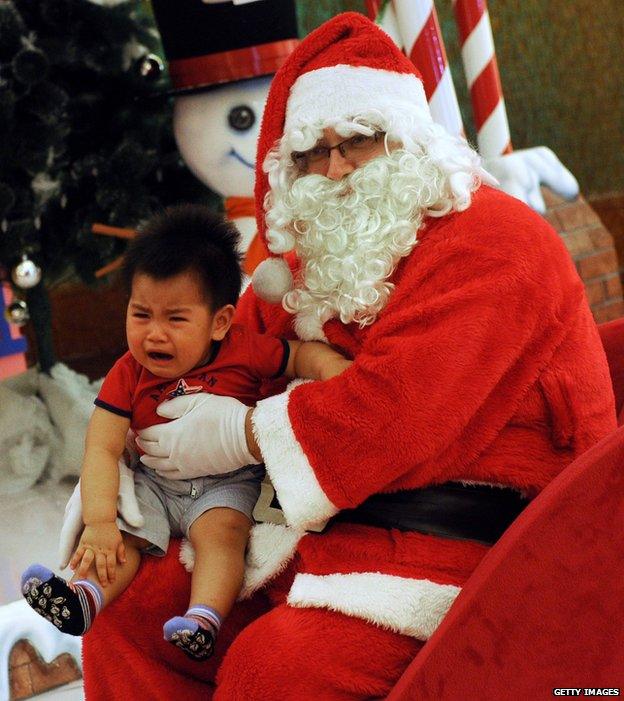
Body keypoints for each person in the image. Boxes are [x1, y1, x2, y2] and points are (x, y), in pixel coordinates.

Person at [63, 13, 616, 700]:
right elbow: (220, 365)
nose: (336, 167)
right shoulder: (304, 266)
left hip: (481, 551)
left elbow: (400, 413)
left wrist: (240, 433)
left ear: (410, 139)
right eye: (310, 154)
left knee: (275, 667)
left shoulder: (498, 243)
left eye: (359, 139)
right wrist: (122, 471)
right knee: (129, 615)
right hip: (322, 537)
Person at [21, 204, 350, 661]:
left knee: (223, 534)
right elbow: (101, 446)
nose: (154, 335)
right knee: (123, 533)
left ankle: (203, 619)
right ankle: (83, 599)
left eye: (176, 319)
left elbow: (297, 354)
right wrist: (99, 522)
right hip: (153, 483)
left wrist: (333, 369)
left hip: (226, 482)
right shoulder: (127, 372)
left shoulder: (242, 350)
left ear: (219, 322)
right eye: (141, 315)